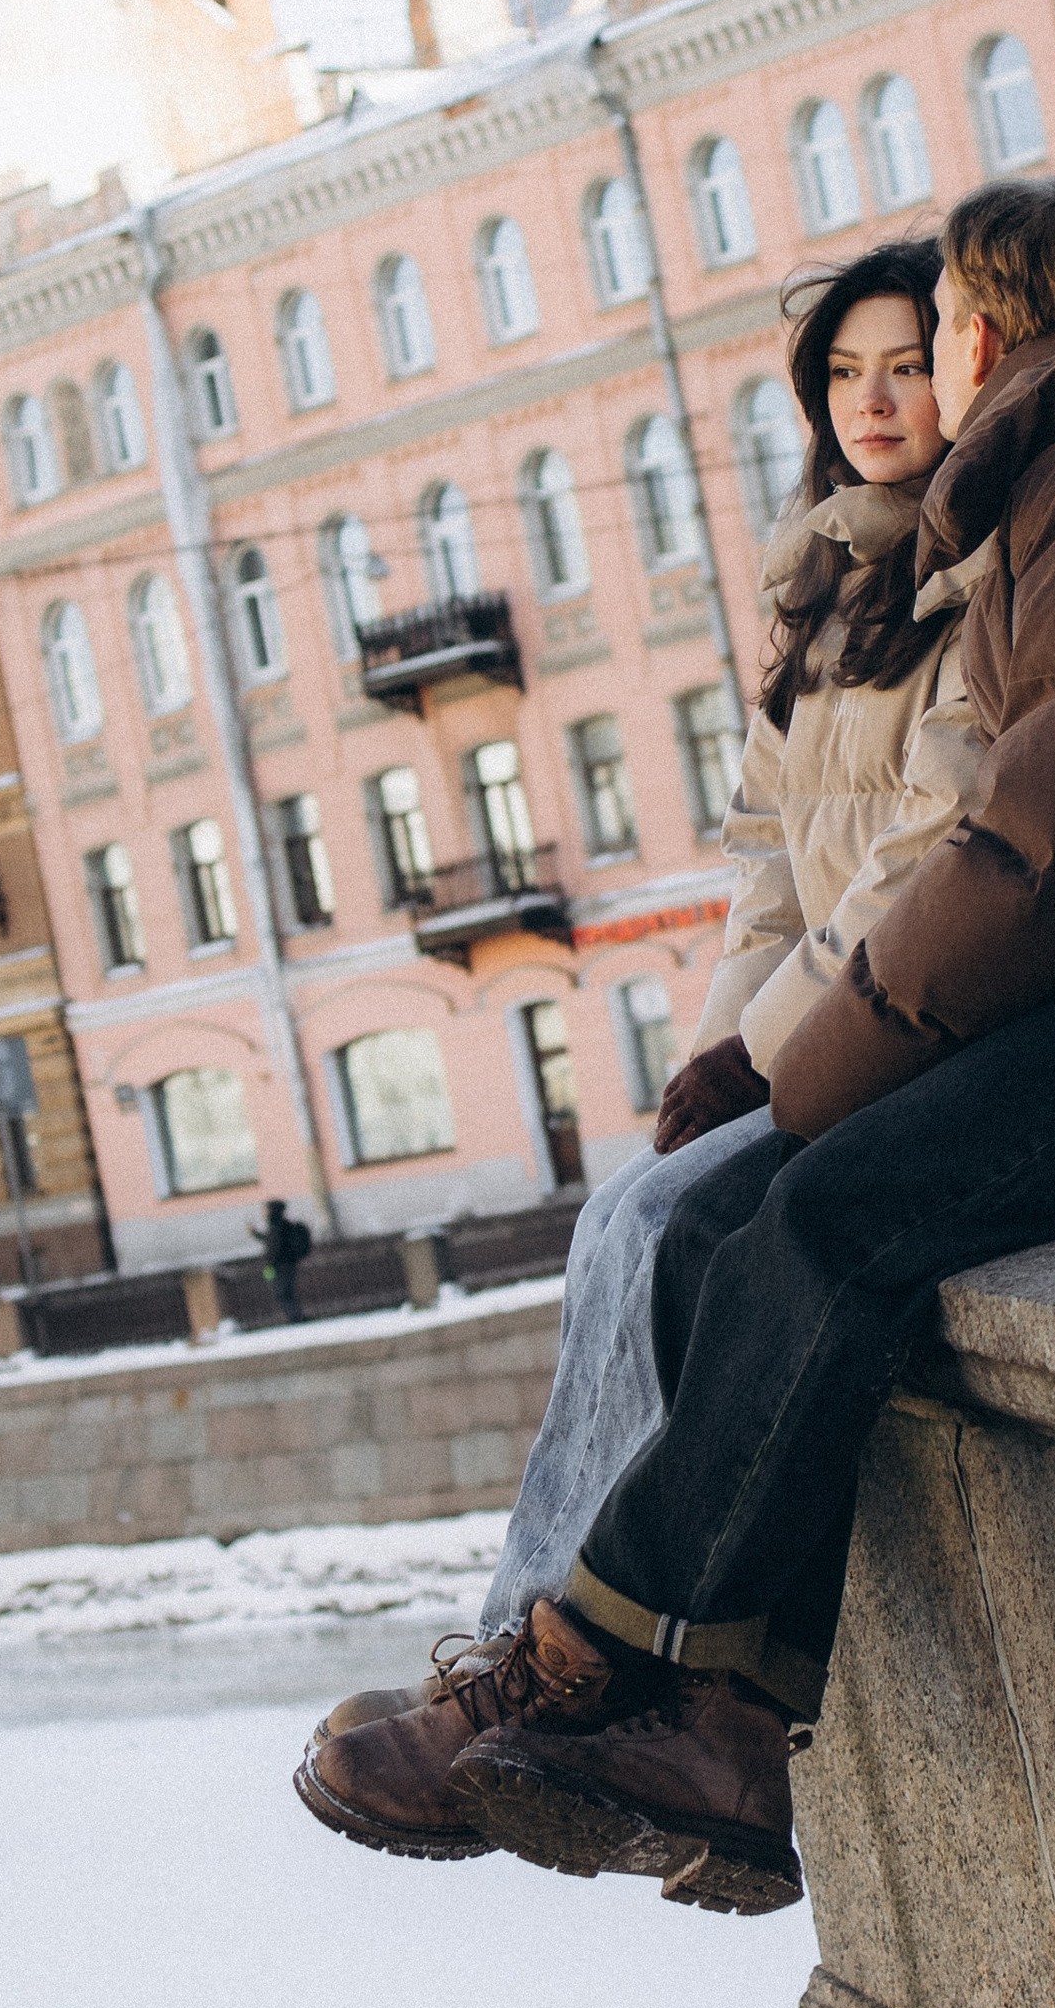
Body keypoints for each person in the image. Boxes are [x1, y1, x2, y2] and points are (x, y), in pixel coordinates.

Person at [321, 179, 1055, 1917]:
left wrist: (810, 1069)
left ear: (986, 333)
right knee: (731, 1216)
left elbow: (1048, 859)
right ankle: (720, 1728)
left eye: (931, 333)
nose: (919, 375)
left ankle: (579, 1668)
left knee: (834, 1214)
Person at [295, 237, 989, 1858]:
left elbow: (922, 851)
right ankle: (525, 1657)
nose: (876, 400)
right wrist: (718, 1054)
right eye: (844, 374)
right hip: (823, 1019)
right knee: (633, 1207)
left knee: (671, 1221)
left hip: (911, 1023)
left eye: (908, 365)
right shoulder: (823, 586)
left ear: (964, 374)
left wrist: (771, 1054)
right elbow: (772, 864)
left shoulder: (980, 571)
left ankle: (556, 1676)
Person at [253, 1197, 312, 1326]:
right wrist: (256, 1235)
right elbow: (271, 1240)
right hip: (285, 1265)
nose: (264, 1212)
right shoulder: (281, 1225)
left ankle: (296, 1318)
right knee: (285, 1293)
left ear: (272, 1210)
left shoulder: (276, 1226)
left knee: (282, 1293)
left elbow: (274, 1246)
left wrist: (269, 1264)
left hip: (280, 1266)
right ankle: (296, 1317)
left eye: (266, 1209)